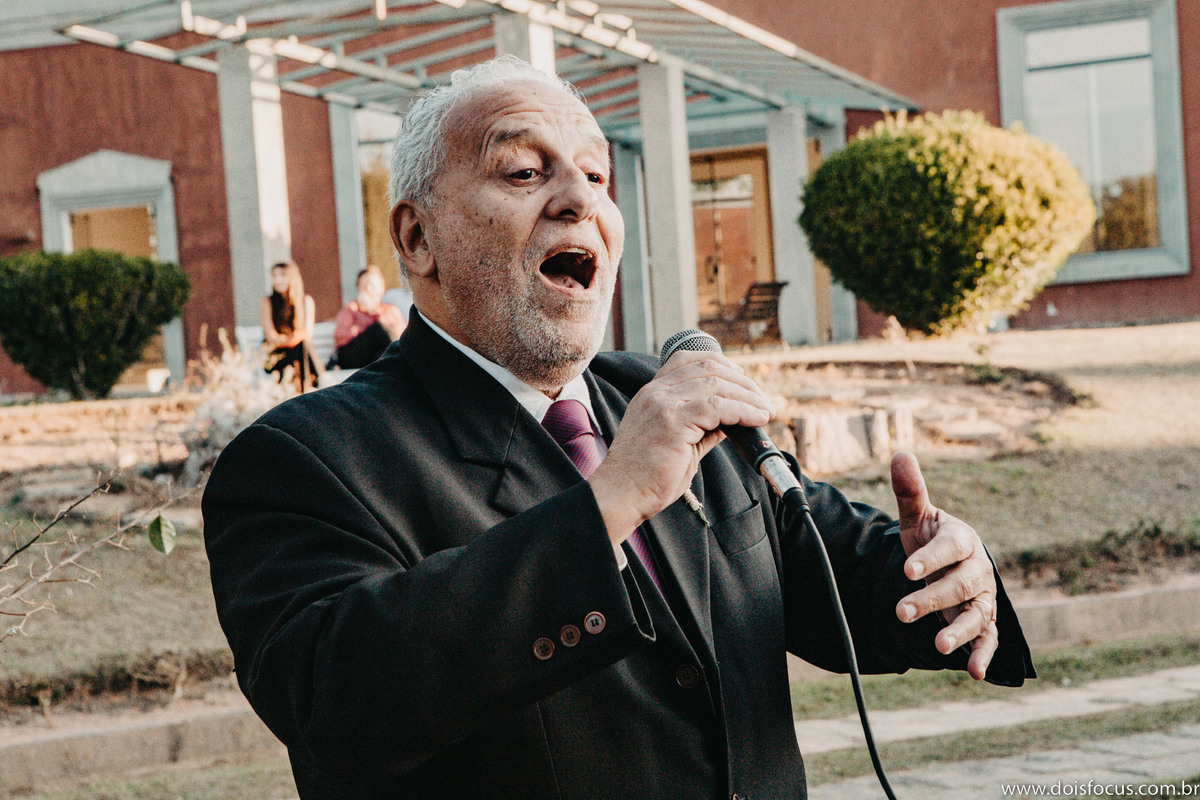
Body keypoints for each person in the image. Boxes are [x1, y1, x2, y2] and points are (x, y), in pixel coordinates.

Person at [204, 56, 1034, 799]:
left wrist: (944, 577)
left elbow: (827, 564)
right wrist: (612, 499)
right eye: (524, 171)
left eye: (598, 175)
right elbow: (337, 702)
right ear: (418, 238)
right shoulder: (302, 461)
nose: (580, 199)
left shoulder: (661, 396)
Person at [260, 260, 322, 390]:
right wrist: (293, 338)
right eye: (274, 276)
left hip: (300, 353)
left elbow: (307, 334)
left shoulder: (305, 301)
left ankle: (311, 385)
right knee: (302, 345)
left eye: (282, 275)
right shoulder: (267, 302)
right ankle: (318, 382)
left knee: (303, 346)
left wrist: (296, 338)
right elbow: (272, 338)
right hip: (276, 357)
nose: (277, 280)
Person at [331, 265, 406, 369]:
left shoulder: (390, 310)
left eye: (372, 285)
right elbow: (340, 337)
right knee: (378, 328)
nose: (369, 289)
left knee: (382, 353)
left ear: (381, 287)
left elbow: (402, 336)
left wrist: (373, 311)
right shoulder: (352, 308)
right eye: (364, 286)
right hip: (353, 356)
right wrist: (362, 328)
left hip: (376, 358)